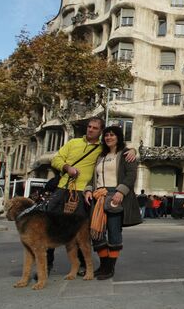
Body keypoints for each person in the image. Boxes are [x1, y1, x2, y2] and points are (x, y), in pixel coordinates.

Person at [46, 117, 136, 276]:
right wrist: (67, 167)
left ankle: (84, 265)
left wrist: (135, 150)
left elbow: (127, 159)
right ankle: (46, 264)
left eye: (95, 128)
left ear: (100, 131)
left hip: (89, 195)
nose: (90, 130)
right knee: (50, 226)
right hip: (64, 189)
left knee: (84, 231)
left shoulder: (102, 149)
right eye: (89, 127)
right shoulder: (74, 143)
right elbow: (56, 159)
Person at [84, 125, 139, 280]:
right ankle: (103, 265)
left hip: (114, 196)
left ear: (118, 137)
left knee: (114, 232)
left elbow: (131, 175)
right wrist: (88, 189)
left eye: (112, 135)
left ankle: (110, 268)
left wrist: (121, 192)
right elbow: (93, 177)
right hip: (98, 196)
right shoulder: (100, 156)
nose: (109, 137)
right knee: (97, 233)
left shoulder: (126, 154)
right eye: (106, 135)